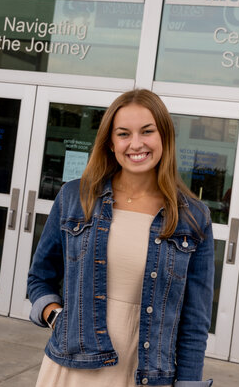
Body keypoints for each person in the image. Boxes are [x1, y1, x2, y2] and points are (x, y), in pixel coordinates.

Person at [27, 89, 214, 387]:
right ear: (111, 143)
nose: (136, 143)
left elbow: (195, 322)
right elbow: (39, 277)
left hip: (146, 375)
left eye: (147, 131)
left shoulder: (193, 216)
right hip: (72, 368)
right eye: (124, 134)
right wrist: (57, 318)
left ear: (164, 137)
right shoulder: (76, 197)